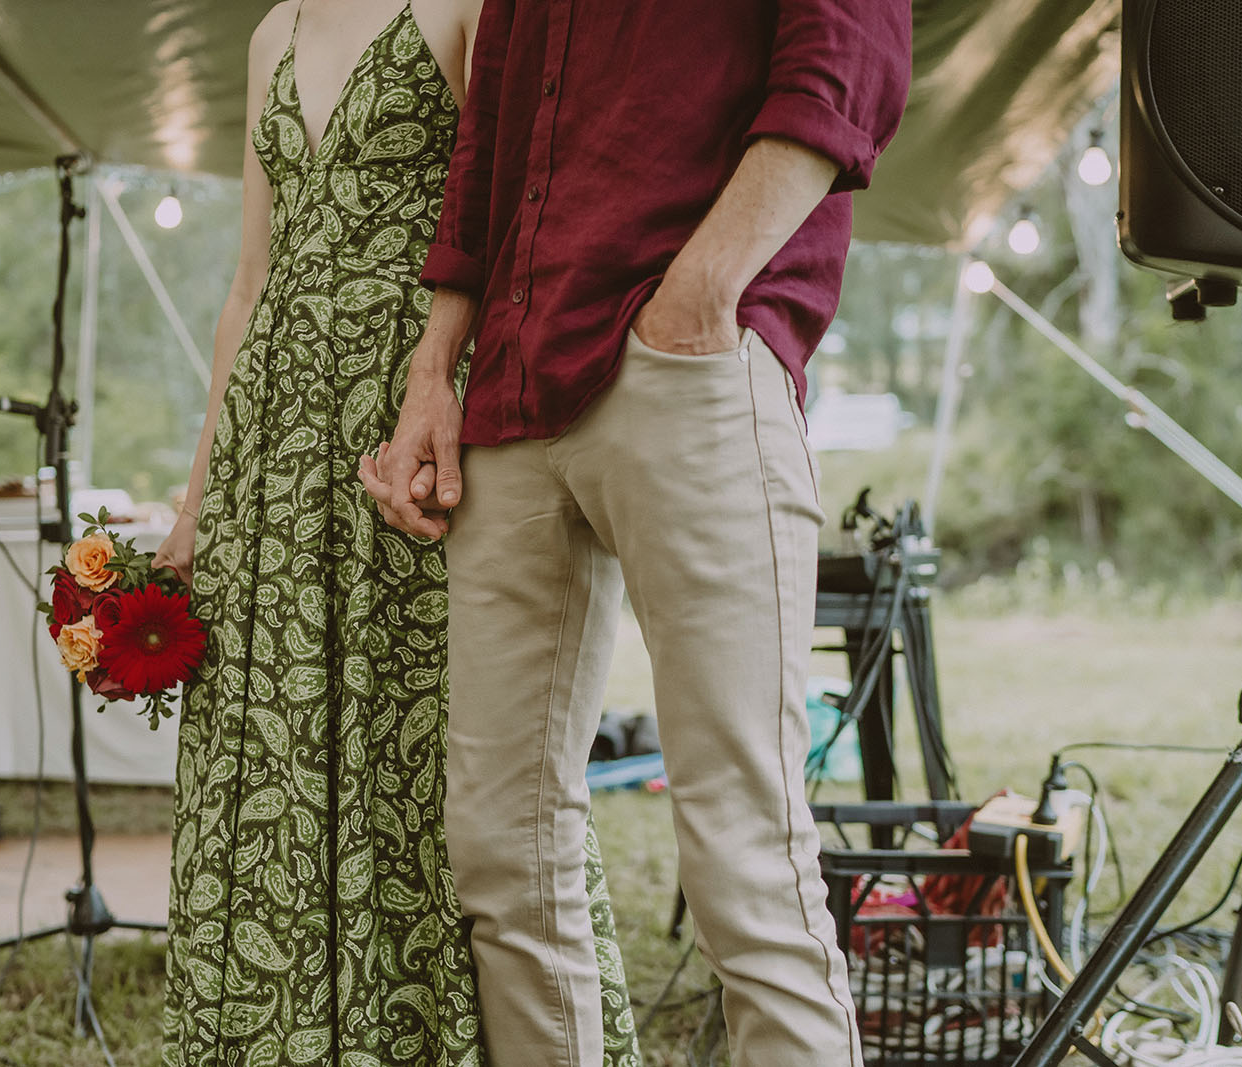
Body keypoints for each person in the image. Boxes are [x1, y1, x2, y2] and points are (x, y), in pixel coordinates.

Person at [360, 2, 913, 1065]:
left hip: (685, 360)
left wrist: (701, 292)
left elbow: (851, 53)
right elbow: (485, 143)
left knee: (744, 852)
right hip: (513, 386)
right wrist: (434, 371)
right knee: (500, 853)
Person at [152, 1, 639, 1064]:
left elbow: (507, 217)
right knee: (278, 746)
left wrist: (454, 392)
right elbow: (249, 280)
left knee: (420, 740)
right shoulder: (272, 33)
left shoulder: (460, 6)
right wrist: (197, 506)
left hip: (409, 417)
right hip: (272, 444)